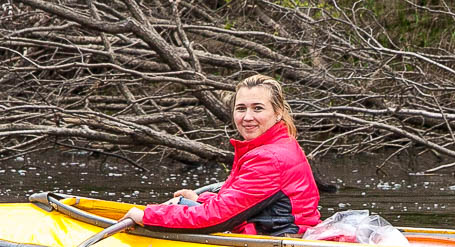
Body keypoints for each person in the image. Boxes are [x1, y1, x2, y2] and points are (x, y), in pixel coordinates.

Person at [124, 74, 321, 236]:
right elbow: (242, 202)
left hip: (279, 244)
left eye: (258, 108)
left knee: (175, 209)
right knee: (184, 204)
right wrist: (199, 200)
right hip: (280, 233)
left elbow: (218, 217)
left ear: (278, 113)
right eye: (241, 108)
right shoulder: (278, 144)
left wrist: (147, 216)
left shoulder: (270, 158)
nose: (247, 117)